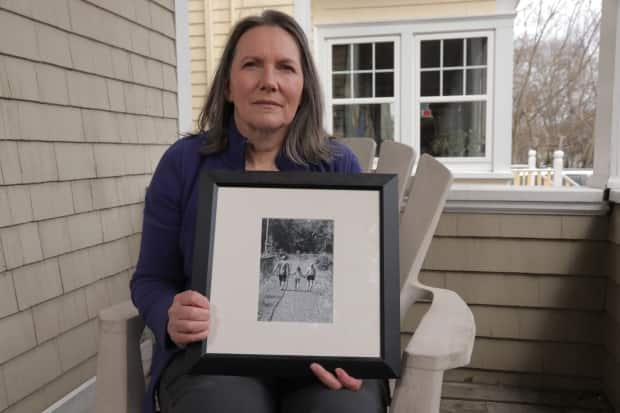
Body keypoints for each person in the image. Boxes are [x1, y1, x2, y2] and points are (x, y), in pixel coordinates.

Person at [130, 9, 389, 413]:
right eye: (252, 64)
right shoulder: (182, 164)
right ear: (229, 86)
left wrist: (355, 345)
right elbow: (150, 279)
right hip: (212, 358)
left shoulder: (337, 165)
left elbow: (362, 286)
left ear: (302, 87)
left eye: (286, 67)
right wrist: (169, 314)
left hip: (320, 358)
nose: (269, 81)